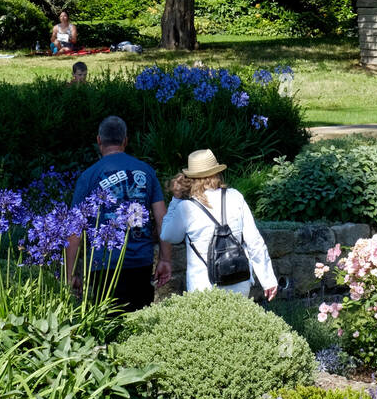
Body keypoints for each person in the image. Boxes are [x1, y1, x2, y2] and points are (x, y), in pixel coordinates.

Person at [65, 115, 171, 310]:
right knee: (140, 323)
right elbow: (162, 218)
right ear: (125, 141)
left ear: (99, 141)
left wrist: (70, 273)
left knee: (109, 325)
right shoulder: (146, 172)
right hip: (141, 261)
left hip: (103, 263)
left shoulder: (89, 176)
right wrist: (165, 259)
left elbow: (74, 229)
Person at [159, 148, 277, 300]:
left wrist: (175, 199)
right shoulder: (235, 197)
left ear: (191, 178)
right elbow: (254, 242)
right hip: (239, 280)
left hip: (203, 285)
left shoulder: (186, 207)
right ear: (217, 172)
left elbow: (168, 236)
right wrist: (268, 281)